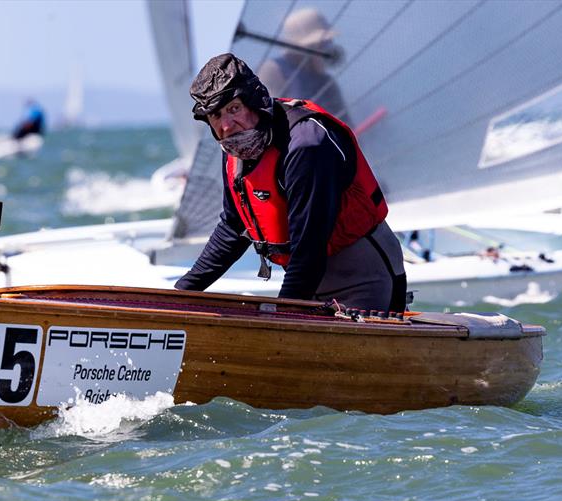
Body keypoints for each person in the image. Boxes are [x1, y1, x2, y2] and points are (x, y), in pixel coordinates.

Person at [174, 53, 406, 312]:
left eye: (234, 108)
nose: (226, 125)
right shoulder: (235, 146)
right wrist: (179, 295)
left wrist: (282, 316)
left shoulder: (306, 145)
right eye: (216, 115)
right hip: (310, 283)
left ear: (254, 102)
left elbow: (309, 251)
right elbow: (234, 228)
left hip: (363, 280)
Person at [257, 8, 348, 119]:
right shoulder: (273, 70)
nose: (328, 49)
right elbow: (267, 117)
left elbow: (346, 123)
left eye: (329, 42)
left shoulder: (327, 83)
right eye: (323, 43)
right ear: (305, 47)